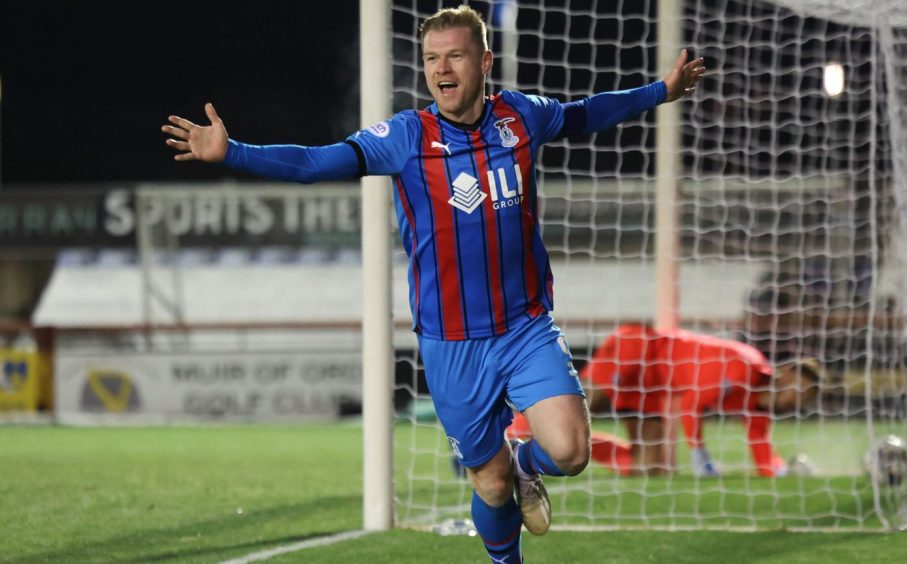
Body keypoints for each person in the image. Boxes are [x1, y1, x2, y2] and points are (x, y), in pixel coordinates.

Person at [162, 7, 704, 562]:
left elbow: (585, 113)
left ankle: (527, 464)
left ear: (484, 61)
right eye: (431, 58)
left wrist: (660, 91)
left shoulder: (519, 117)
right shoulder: (405, 137)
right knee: (490, 485)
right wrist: (232, 151)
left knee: (570, 450)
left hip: (525, 327)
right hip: (451, 345)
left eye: (455, 55)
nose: (441, 69)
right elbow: (315, 162)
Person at [530, 324, 819, 477]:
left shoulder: (759, 408)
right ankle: (519, 427)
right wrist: (699, 456)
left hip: (654, 385)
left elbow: (763, 454)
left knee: (648, 468)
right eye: (801, 389)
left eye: (806, 398)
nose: (800, 401)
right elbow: (692, 404)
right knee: (582, 406)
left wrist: (783, 472)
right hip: (641, 349)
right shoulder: (745, 366)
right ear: (787, 373)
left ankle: (550, 441)